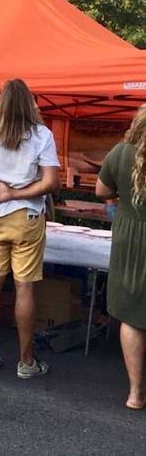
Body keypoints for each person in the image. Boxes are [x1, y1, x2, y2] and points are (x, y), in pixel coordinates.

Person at [0, 79, 60, 379]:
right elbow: (51, 182)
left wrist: (3, 189)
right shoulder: (42, 134)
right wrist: (15, 193)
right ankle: (26, 362)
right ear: (29, 103)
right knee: (25, 287)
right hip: (27, 215)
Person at [96, 104, 146, 410]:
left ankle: (136, 393)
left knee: (131, 312)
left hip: (129, 236)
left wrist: (121, 198)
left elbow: (102, 190)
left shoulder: (120, 152)